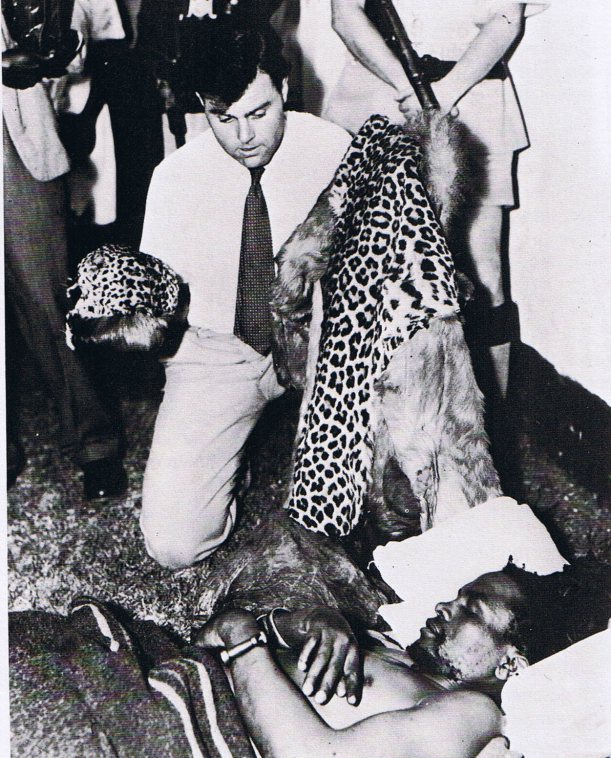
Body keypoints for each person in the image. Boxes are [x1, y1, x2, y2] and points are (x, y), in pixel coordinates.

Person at [138, 20, 351, 568]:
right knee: (175, 544)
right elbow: (156, 300)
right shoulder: (174, 178)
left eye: (259, 112)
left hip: (323, 346)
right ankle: (235, 461)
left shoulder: (335, 152)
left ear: (285, 88)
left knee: (363, 520)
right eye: (224, 118)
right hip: (218, 353)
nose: (244, 136)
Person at [323, 0, 548, 404]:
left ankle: (489, 421)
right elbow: (345, 15)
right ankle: (372, 411)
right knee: (370, 267)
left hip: (473, 100)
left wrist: (443, 92)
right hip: (377, 99)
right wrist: (408, 88)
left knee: (484, 274)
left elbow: (506, 17)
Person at [196, 559, 611, 758]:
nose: (444, 607)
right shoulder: (386, 647)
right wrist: (305, 622)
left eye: (471, 610)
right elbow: (208, 639)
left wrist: (243, 639)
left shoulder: (472, 712)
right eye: (455, 597)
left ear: (510, 665)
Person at [3, 0, 127, 499]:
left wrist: (53, 53)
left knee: (47, 297)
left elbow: (71, 49)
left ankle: (95, 444)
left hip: (18, 137)